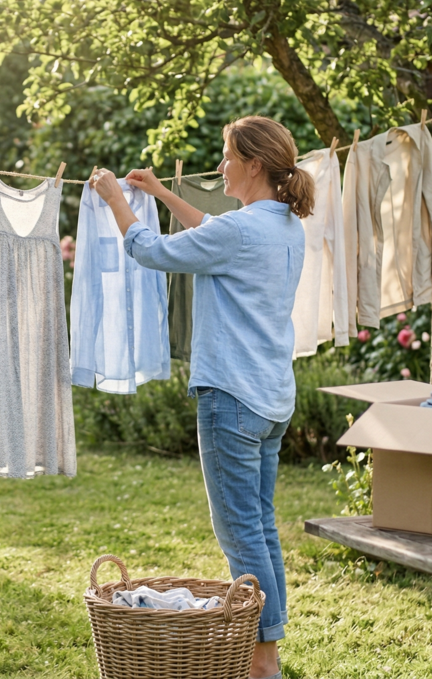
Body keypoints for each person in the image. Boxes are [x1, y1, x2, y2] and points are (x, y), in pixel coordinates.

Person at [89, 116, 313, 679]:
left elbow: (150, 250)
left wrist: (117, 198)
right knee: (259, 527)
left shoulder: (240, 232)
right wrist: (161, 193)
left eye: (227, 155)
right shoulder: (284, 225)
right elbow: (213, 230)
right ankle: (268, 649)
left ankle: (262, 661)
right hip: (268, 399)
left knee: (241, 533)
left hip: (231, 398)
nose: (220, 165)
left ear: (253, 165)